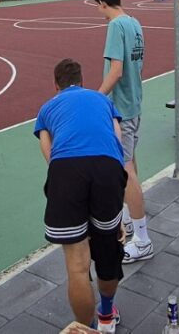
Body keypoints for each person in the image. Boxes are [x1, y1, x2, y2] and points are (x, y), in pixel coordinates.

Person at [34, 58, 128, 333]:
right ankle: (107, 316)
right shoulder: (102, 100)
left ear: (56, 85)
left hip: (66, 169)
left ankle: (86, 329)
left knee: (77, 265)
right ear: (82, 81)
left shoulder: (47, 108)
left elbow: (49, 154)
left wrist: (68, 187)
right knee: (108, 250)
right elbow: (117, 140)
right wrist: (114, 207)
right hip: (107, 167)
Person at [93, 0, 151, 263]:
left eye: (98, 7)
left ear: (103, 3)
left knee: (126, 171)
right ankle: (128, 217)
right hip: (134, 102)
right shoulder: (134, 22)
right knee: (130, 163)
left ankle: (142, 239)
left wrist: (96, 99)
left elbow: (116, 71)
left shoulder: (116, 26)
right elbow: (137, 64)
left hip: (122, 107)